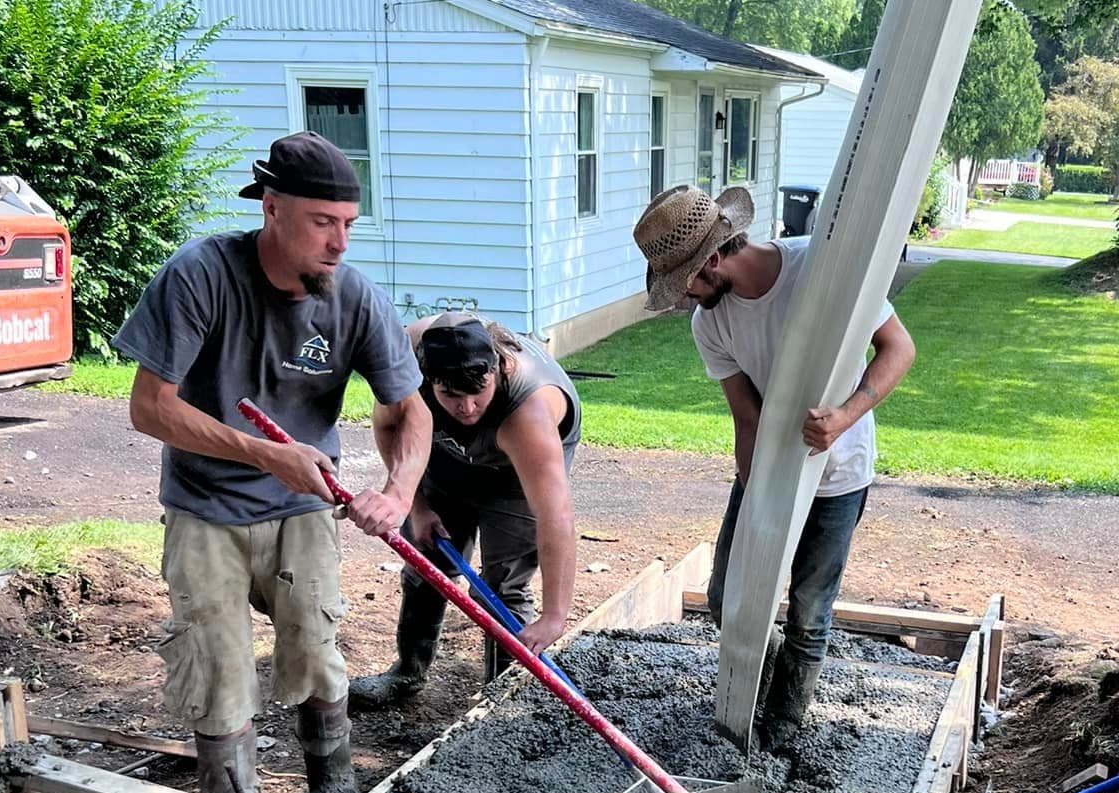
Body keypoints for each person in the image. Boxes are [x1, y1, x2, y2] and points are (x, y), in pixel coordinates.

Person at [118, 131, 431, 793]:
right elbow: (148, 409)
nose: (339, 240)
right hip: (206, 507)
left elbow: (410, 409)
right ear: (273, 207)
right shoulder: (200, 276)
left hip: (303, 508)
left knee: (318, 651)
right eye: (324, 221)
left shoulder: (354, 296)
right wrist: (264, 455)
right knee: (218, 674)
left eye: (349, 224)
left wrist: (398, 491)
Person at [632, 183, 915, 737]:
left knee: (810, 607)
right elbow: (747, 419)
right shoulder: (710, 323)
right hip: (766, 468)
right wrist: (755, 495)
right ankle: (757, 690)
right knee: (725, 595)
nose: (685, 297)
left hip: (839, 473)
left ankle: (786, 721)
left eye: (683, 282)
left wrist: (845, 415)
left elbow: (898, 348)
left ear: (710, 259)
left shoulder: (821, 269)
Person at [348, 313, 581, 708]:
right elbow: (388, 428)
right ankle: (407, 673)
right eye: (453, 397)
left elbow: (555, 516)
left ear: (497, 369)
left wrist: (556, 616)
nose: (468, 407)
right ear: (428, 379)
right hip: (447, 459)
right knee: (427, 563)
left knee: (501, 586)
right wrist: (415, 505)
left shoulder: (527, 413)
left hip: (515, 473)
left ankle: (502, 702)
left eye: (478, 393)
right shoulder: (406, 366)